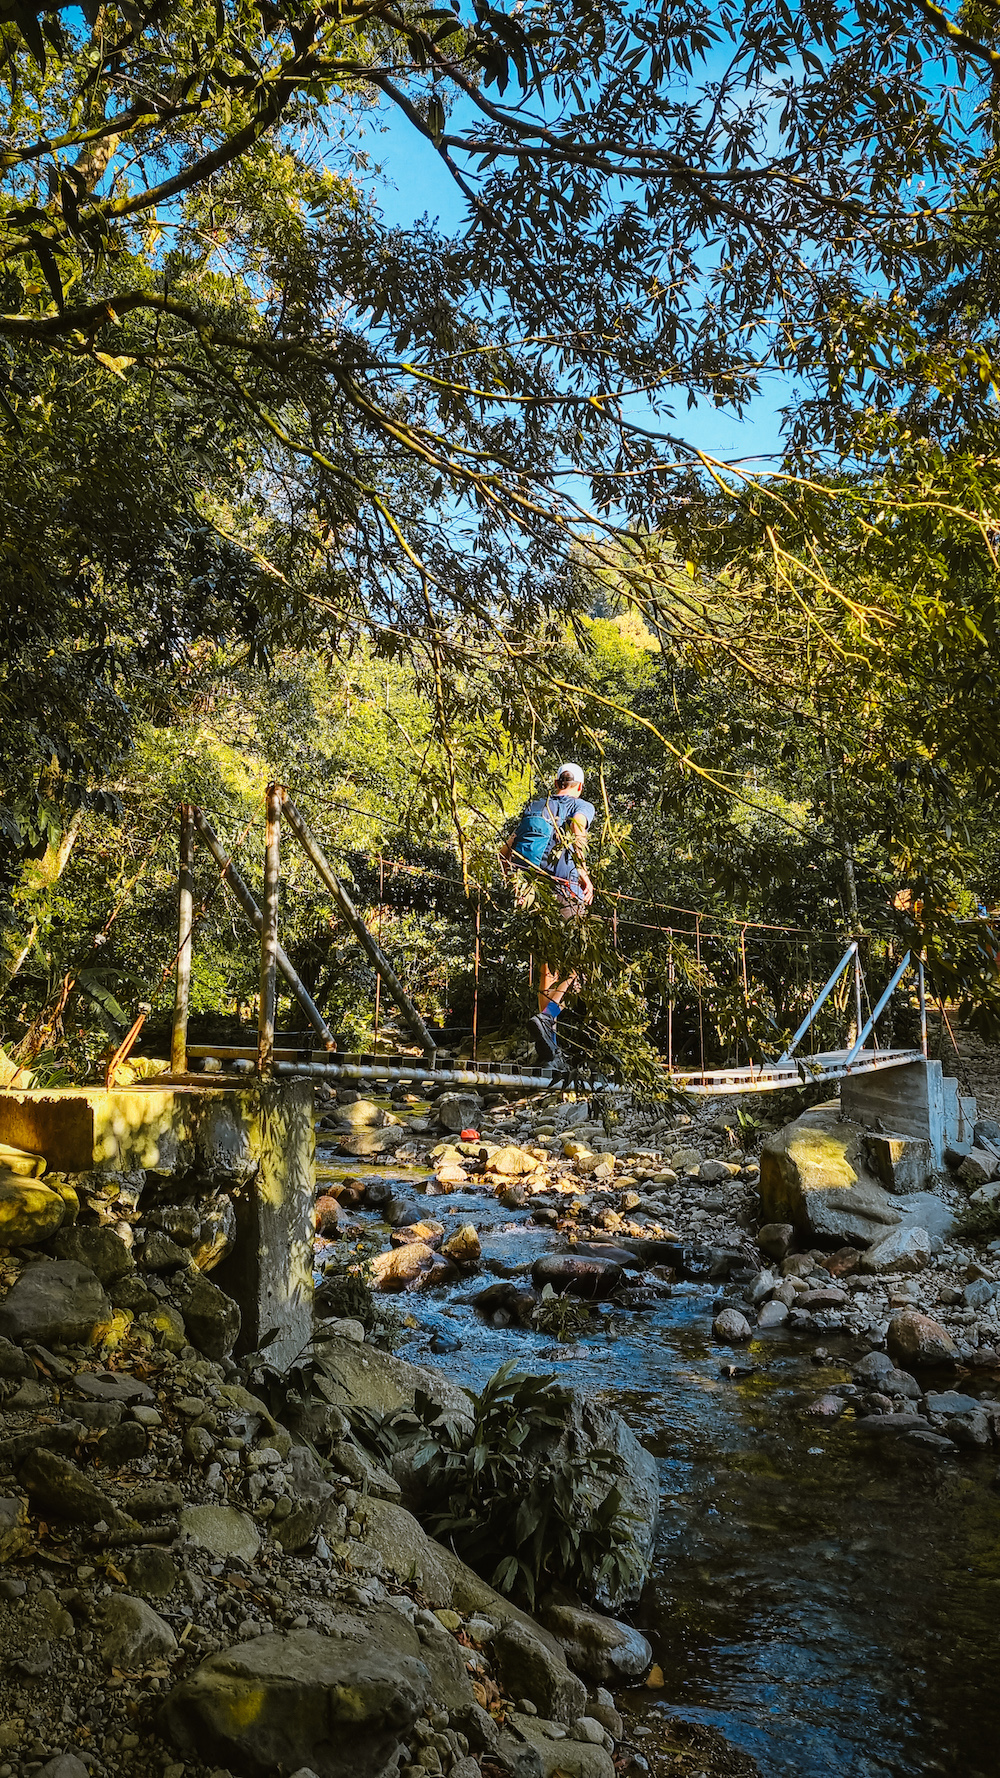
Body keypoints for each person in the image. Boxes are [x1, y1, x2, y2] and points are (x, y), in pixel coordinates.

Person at [500, 762, 595, 1062]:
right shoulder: (581, 806)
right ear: (578, 786)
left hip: (534, 893)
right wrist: (582, 871)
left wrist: (515, 882)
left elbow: (507, 850)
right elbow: (578, 828)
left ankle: (549, 1047)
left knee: (548, 967)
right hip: (565, 889)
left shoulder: (537, 806)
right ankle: (548, 1017)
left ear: (556, 783)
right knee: (581, 960)